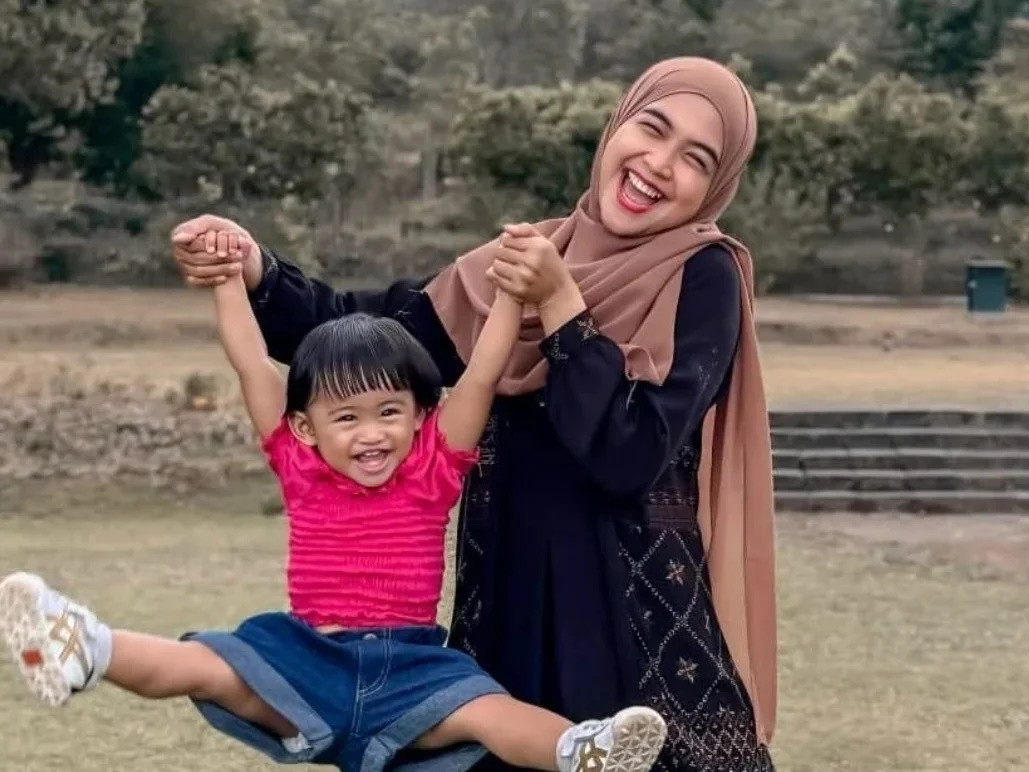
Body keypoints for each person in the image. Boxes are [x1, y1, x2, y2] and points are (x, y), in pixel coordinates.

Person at [169, 56, 777, 771]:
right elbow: (370, 340)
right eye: (652, 128)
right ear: (617, 127)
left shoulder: (702, 277)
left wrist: (561, 305)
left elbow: (629, 453)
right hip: (507, 615)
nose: (659, 163)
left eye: (695, 159)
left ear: (717, 186)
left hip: (633, 630)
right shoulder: (521, 261)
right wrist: (254, 270)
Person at [0, 259, 669, 772]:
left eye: (389, 412)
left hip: (411, 673)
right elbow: (250, 363)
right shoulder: (300, 465)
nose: (371, 434)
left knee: (491, 711)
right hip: (308, 661)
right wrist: (228, 278)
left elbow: (481, 378)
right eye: (346, 418)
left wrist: (513, 299)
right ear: (306, 427)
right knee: (202, 664)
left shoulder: (433, 470)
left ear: (420, 416)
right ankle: (82, 647)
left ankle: (582, 751)